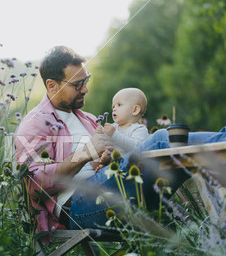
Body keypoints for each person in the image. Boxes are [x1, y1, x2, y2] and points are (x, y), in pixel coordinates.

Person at [15, 46, 226, 239]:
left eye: (86, 80)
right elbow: (33, 185)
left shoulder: (86, 119)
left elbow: (104, 160)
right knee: (162, 141)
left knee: (177, 162)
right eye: (78, 84)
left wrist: (106, 160)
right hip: (79, 207)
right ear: (52, 86)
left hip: (113, 190)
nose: (85, 89)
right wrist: (86, 152)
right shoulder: (35, 123)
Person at [93, 87, 149, 172]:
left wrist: (114, 134)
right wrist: (98, 135)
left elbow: (136, 148)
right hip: (113, 167)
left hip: (129, 168)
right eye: (113, 106)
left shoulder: (139, 129)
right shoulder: (113, 128)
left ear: (135, 110)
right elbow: (102, 146)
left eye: (119, 105)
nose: (114, 109)